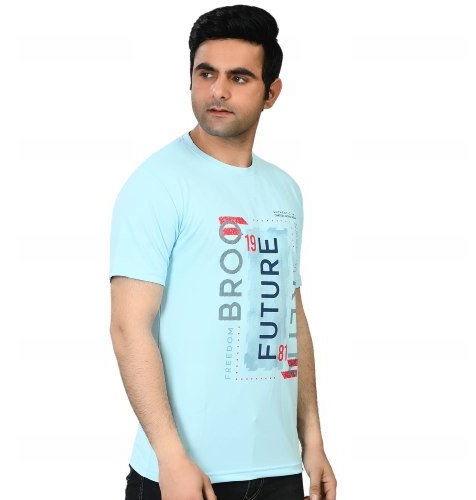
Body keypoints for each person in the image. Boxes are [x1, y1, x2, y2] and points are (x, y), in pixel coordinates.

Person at [109, 5, 337, 500]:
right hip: (186, 472)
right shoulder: (157, 183)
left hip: (278, 468)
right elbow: (128, 328)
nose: (217, 91)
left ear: (271, 92)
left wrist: (313, 441)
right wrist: (170, 457)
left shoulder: (285, 190)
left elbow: (288, 316)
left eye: (239, 77)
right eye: (206, 73)